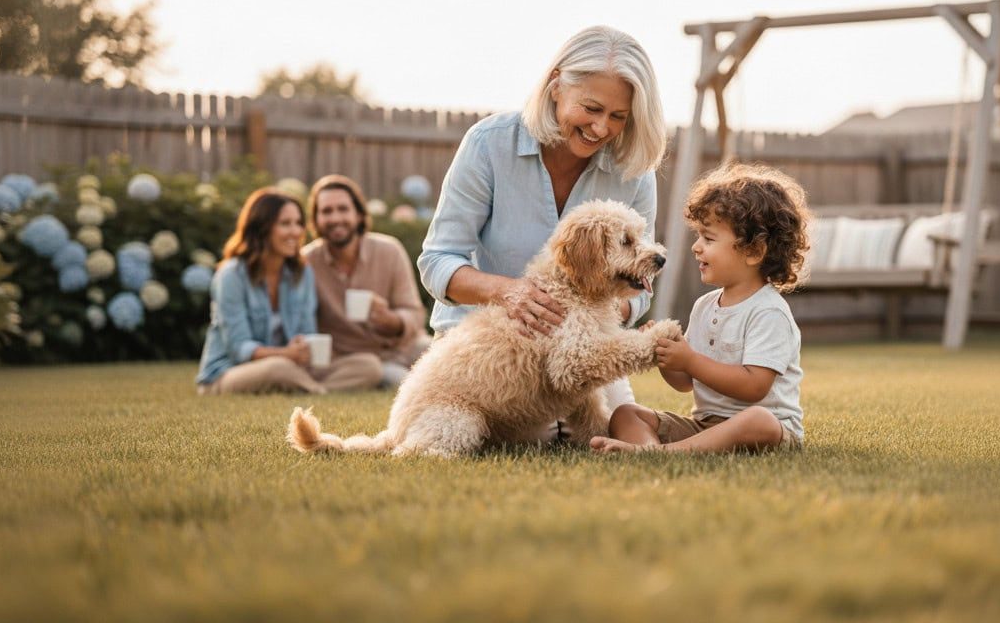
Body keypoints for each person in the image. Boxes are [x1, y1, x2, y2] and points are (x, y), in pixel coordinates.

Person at [417, 25, 669, 413]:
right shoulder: (489, 144)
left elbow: (640, 286)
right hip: (485, 355)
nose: (601, 128)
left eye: (618, 116)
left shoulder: (634, 168)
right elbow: (437, 261)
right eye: (591, 108)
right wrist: (508, 293)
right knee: (534, 431)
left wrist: (581, 322)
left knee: (623, 423)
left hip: (587, 345)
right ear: (556, 86)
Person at [591, 163, 810, 453]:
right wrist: (668, 355)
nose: (696, 247)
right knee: (626, 413)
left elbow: (754, 386)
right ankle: (648, 449)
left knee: (759, 420)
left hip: (764, 429)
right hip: (706, 425)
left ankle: (661, 453)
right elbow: (685, 383)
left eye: (708, 238)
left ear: (754, 251)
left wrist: (691, 360)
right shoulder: (705, 306)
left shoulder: (768, 311)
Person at [194, 188, 332, 395]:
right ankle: (320, 392)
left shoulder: (302, 272)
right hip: (229, 373)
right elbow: (239, 348)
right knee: (278, 367)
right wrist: (285, 354)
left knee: (366, 365)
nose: (295, 232)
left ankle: (302, 384)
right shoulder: (231, 276)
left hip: (290, 367)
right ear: (261, 228)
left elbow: (307, 331)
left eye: (298, 223)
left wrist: (302, 348)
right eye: (285, 224)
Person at [302, 174, 430, 390]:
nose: (335, 218)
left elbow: (415, 313)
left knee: (443, 353)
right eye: (326, 211)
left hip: (403, 346)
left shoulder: (389, 250)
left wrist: (392, 320)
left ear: (359, 215)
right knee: (408, 383)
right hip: (354, 359)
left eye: (343, 209)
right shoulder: (307, 262)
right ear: (315, 220)